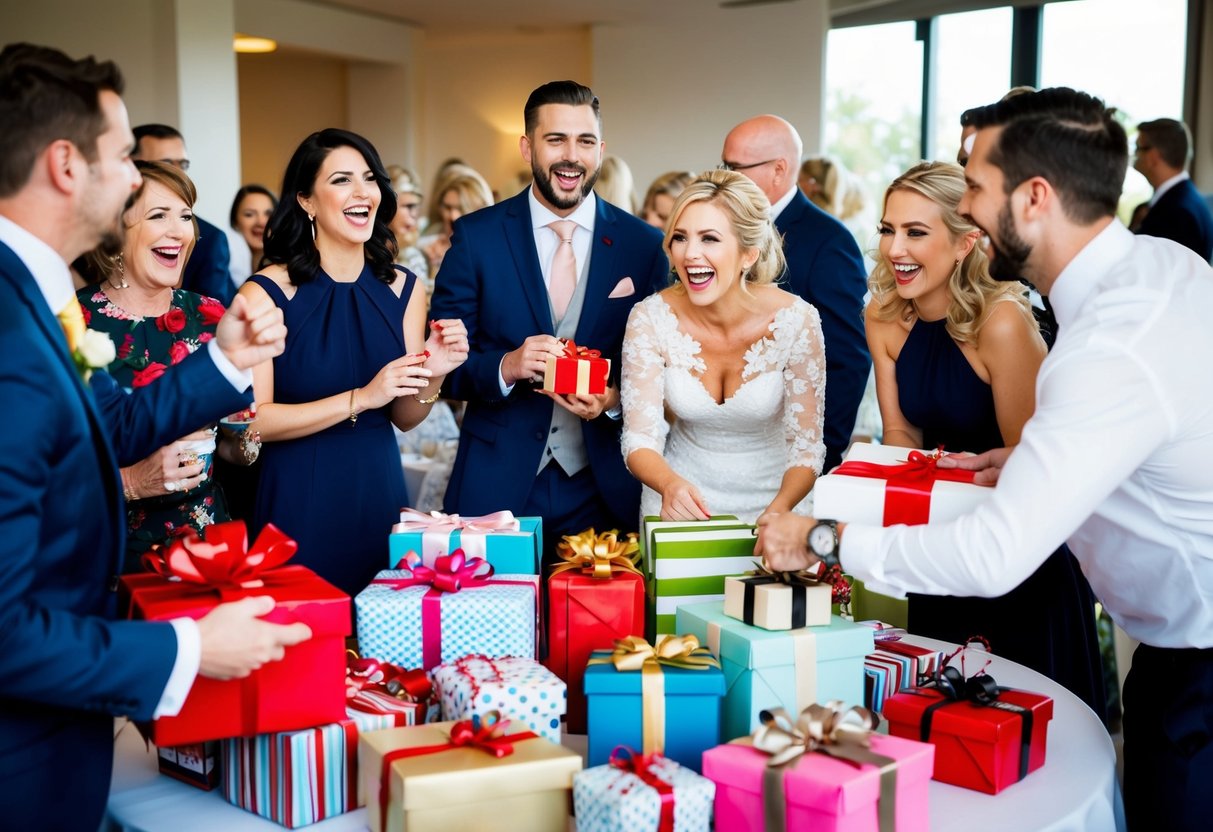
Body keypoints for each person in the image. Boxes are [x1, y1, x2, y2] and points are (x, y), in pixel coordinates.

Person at [755, 87, 1213, 831]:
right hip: (1173, 646)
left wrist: (819, 540)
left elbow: (998, 555)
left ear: (1032, 198)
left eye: (973, 186)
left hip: (1198, 659)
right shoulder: (1161, 265)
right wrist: (1033, 463)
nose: (965, 209)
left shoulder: (1102, 348)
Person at [0, 42, 310, 830]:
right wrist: (188, 651)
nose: (138, 177)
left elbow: (111, 421)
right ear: (66, 165)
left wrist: (226, 359)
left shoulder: (36, 297)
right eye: (122, 157)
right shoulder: (7, 329)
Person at [865, 160, 1104, 717]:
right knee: (940, 707)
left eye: (916, 232)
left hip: (1016, 542)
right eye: (887, 229)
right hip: (939, 536)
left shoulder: (1000, 322)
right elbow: (900, 430)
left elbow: (1035, 460)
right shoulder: (882, 316)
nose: (894, 248)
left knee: (1022, 714)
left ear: (966, 242)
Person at [428, 80, 667, 549]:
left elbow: (661, 368)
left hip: (605, 486)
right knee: (493, 622)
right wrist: (506, 366)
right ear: (527, 146)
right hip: (496, 485)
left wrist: (614, 399)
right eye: (555, 139)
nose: (570, 156)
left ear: (600, 150)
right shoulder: (477, 238)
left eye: (584, 141)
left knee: (604, 622)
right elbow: (443, 366)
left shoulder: (643, 247)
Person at [239, 128, 468, 598]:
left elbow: (405, 418)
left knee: (381, 649)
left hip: (376, 490)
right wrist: (363, 397)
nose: (363, 191)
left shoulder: (405, 290)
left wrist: (436, 368)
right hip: (298, 495)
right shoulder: (264, 293)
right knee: (305, 644)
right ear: (306, 200)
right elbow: (254, 423)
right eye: (342, 180)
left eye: (369, 178)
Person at [78, 161, 261, 570]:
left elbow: (234, 446)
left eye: (186, 216)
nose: (179, 232)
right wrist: (131, 483)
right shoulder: (76, 323)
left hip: (205, 542)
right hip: (109, 549)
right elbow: (55, 456)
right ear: (115, 231)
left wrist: (249, 437)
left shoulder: (212, 315)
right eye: (158, 215)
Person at [621, 170, 825, 523]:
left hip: (778, 504)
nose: (690, 254)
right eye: (680, 238)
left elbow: (806, 450)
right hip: (677, 505)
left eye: (709, 239)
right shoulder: (649, 317)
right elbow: (639, 439)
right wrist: (669, 484)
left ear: (748, 254)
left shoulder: (797, 320)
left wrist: (778, 511)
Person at [722, 115, 870, 471]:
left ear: (778, 170)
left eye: (735, 167)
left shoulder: (829, 242)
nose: (725, 178)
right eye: (723, 165)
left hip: (788, 453)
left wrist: (818, 454)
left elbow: (846, 360)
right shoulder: (721, 226)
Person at [132, 123, 235, 305]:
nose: (178, 173)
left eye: (183, 164)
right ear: (131, 166)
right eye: (166, 164)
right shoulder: (99, 228)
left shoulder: (211, 239)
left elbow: (213, 319)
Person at [1132, 118, 1213, 261]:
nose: (1135, 154)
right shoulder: (1188, 200)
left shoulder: (1178, 213)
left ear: (1153, 156)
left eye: (1138, 147)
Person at [419, 163, 493, 277]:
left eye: (461, 208)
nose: (453, 216)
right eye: (448, 207)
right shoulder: (425, 248)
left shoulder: (495, 252)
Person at [386, 164, 429, 294]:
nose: (414, 214)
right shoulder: (362, 253)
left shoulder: (414, 256)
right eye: (408, 206)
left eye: (416, 207)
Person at [230, 183, 277, 276]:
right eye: (249, 214)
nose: (261, 222)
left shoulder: (291, 269)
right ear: (235, 221)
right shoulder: (222, 270)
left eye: (268, 214)